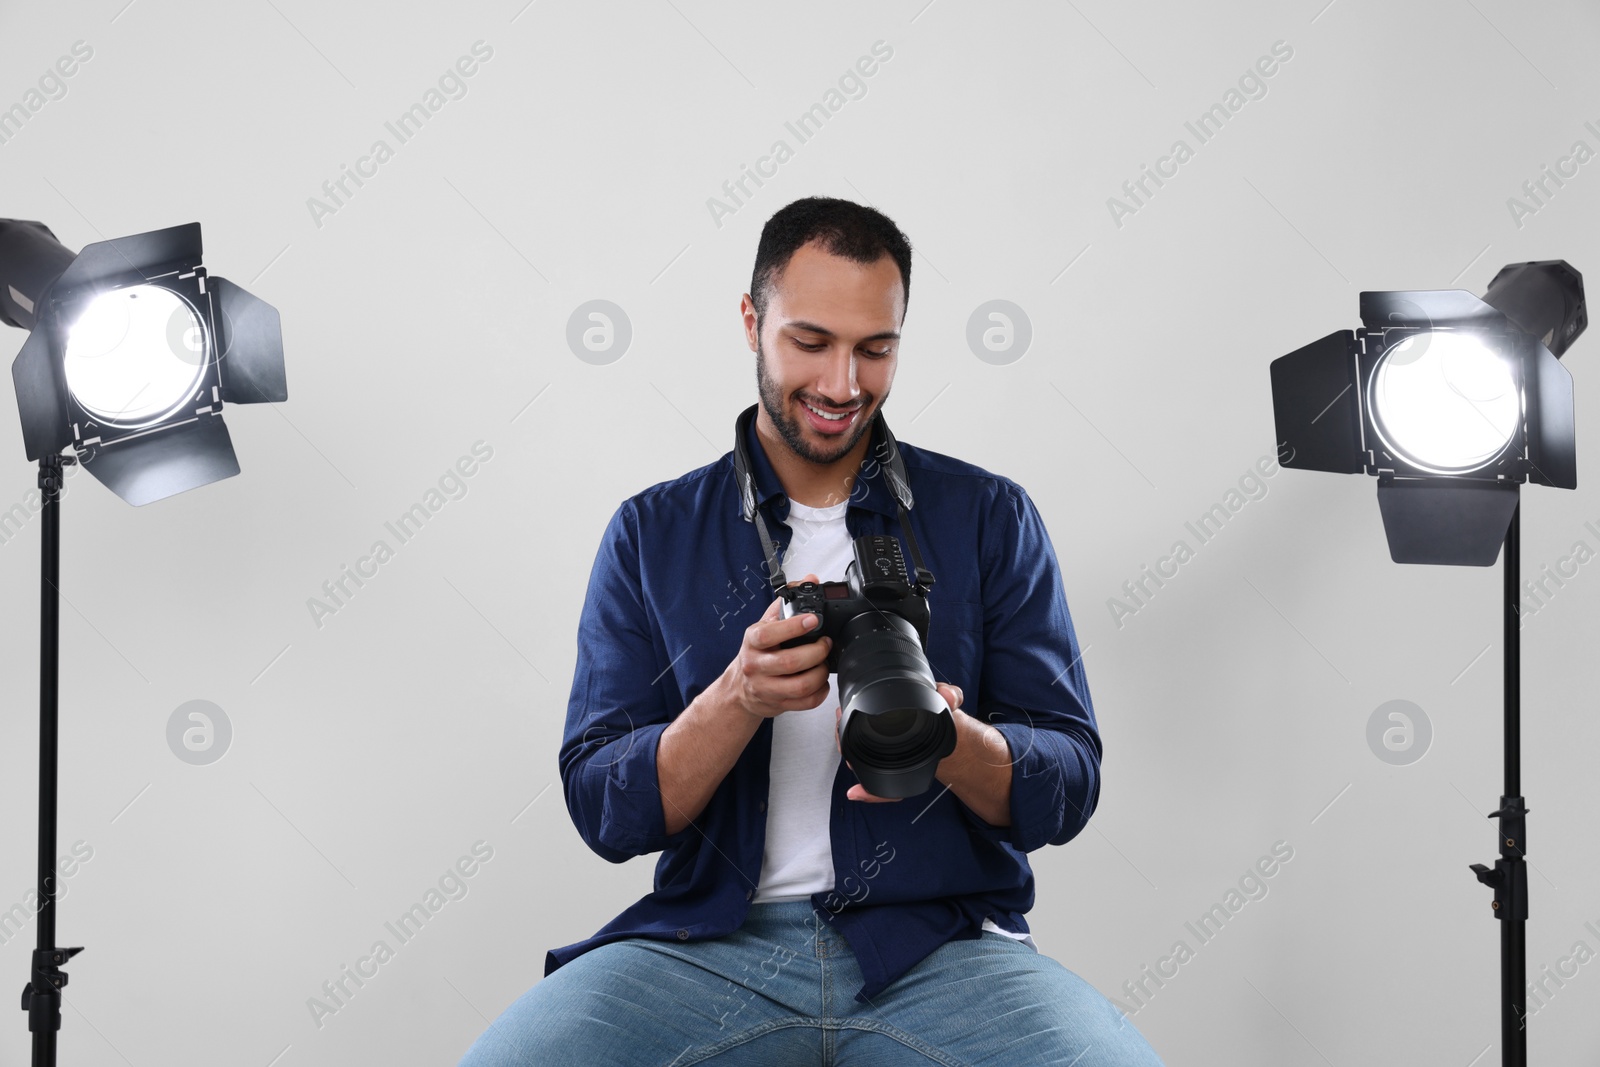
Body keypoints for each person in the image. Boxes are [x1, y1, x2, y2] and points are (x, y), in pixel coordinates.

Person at [458, 197, 1164, 1066]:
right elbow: (604, 809)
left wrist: (946, 738)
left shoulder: (987, 517)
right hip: (710, 945)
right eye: (810, 341)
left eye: (876, 349)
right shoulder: (652, 532)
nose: (841, 385)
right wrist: (737, 697)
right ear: (752, 322)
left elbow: (1071, 777)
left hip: (941, 948)